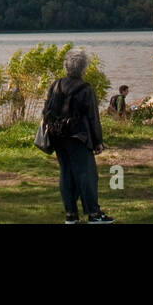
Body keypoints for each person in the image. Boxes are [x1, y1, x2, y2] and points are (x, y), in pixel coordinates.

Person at [43, 49, 113, 224]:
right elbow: (93, 118)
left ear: (66, 67)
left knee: (66, 174)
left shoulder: (55, 85)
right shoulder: (86, 89)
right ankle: (94, 214)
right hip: (78, 137)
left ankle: (71, 215)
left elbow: (46, 111)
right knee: (87, 175)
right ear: (83, 68)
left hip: (57, 136)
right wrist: (98, 142)